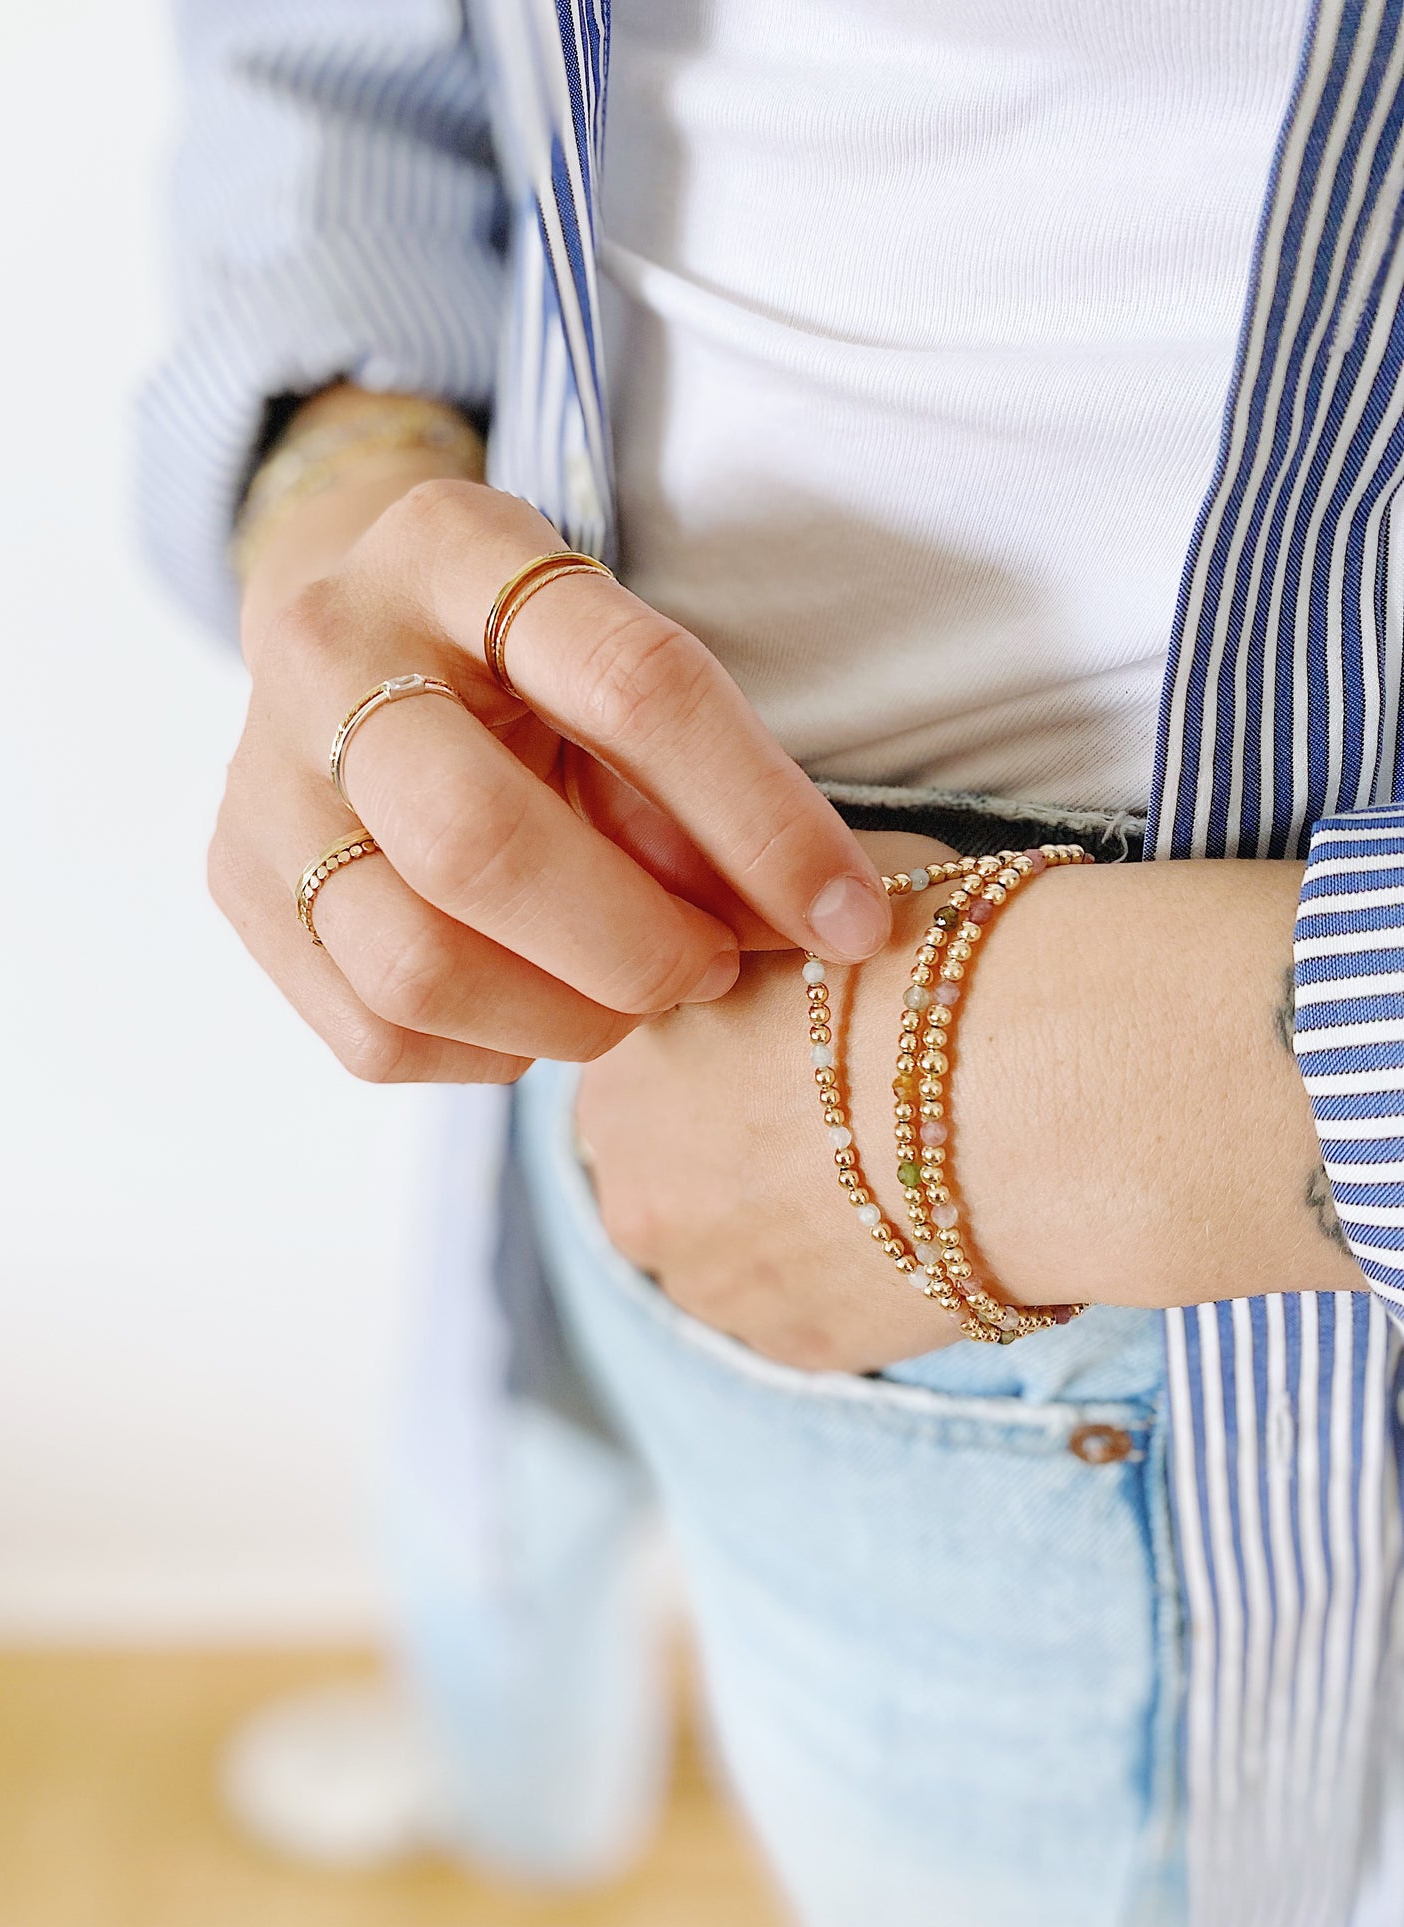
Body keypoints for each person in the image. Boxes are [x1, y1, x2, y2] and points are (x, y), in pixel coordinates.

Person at [141, 2, 1404, 1921]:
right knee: (517, 1454)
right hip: (570, 828)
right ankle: (522, 1772)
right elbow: (321, 53)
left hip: (1123, 1224)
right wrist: (342, 478)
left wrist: (1265, 1069)